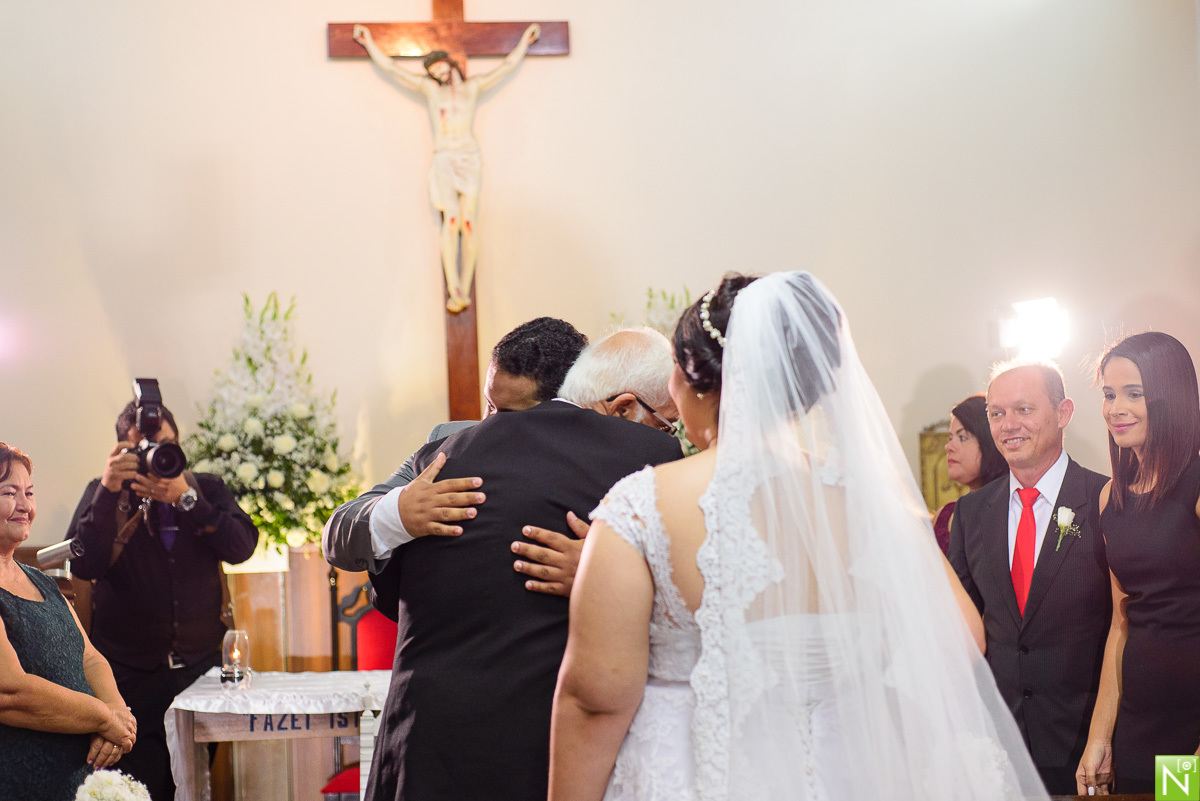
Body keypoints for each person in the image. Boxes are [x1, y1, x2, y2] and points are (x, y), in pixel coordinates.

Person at [550, 272, 1045, 801]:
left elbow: (595, 703)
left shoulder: (641, 506)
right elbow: (963, 639)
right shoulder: (871, 502)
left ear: (695, 380)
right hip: (845, 776)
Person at [66, 401, 259, 801]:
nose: (157, 454)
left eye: (166, 443)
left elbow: (242, 547)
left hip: (201, 670)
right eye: (144, 448)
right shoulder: (105, 492)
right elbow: (83, 563)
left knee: (195, 782)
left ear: (178, 442)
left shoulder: (205, 488)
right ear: (123, 450)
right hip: (130, 674)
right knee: (142, 785)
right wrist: (108, 490)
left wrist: (187, 500)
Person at [949, 360, 1110, 795]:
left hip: (1086, 747)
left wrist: (1105, 737)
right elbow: (964, 630)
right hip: (1000, 750)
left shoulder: (1104, 499)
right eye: (997, 414)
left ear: (1063, 413)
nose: (1008, 425)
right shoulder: (970, 513)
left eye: (1024, 409)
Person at [1076, 332, 1200, 794]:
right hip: (1138, 720)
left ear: (1171, 398)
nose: (1116, 409)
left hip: (1190, 723)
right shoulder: (1111, 497)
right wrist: (1099, 737)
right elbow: (1121, 622)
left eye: (1134, 394)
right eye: (1109, 395)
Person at [353, 22, 541, 313]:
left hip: (469, 156)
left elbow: (505, 67)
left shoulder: (473, 87)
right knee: (451, 221)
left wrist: (524, 43)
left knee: (469, 224)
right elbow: (392, 69)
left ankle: (465, 286)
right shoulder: (430, 90)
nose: (438, 74)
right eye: (433, 72)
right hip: (444, 157)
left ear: (449, 63)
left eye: (439, 68)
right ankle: (454, 288)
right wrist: (369, 43)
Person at [0, 443, 137, 801]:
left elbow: (89, 657)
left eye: (29, 493)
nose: (25, 506)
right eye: (9, 493)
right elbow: (9, 691)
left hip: (73, 781)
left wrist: (117, 712)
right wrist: (104, 718)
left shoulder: (41, 579)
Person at [933, 394, 1007, 553]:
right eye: (950, 438)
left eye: (962, 437)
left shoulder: (1010, 512)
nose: (948, 447)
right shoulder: (945, 515)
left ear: (989, 442)